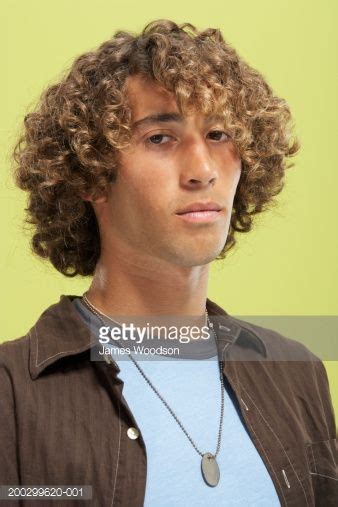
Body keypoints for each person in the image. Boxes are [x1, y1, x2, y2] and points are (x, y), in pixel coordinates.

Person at [0, 19, 336, 507]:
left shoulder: (298, 375)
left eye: (219, 133)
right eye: (160, 137)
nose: (203, 170)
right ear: (90, 173)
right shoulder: (12, 394)